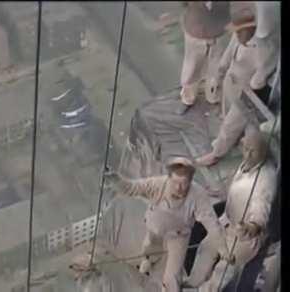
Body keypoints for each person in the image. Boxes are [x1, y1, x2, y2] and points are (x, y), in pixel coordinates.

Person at [105, 157, 231, 292]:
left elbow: (211, 222)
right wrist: (116, 180)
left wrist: (222, 247)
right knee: (149, 248)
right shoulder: (157, 184)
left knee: (173, 275)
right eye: (175, 182)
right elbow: (132, 188)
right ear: (169, 177)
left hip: (179, 235)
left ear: (190, 181)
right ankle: (149, 260)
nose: (179, 188)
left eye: (184, 184)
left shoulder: (197, 194)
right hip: (155, 228)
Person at [185, 129, 277, 292]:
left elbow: (261, 209)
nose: (247, 154)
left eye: (253, 151)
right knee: (206, 248)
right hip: (226, 222)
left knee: (224, 269)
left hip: (244, 237)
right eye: (245, 148)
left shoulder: (265, 181)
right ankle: (192, 283)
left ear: (263, 151)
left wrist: (250, 227)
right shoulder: (248, 164)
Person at [196, 10, 275, 166]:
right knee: (227, 114)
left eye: (241, 31)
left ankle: (216, 154)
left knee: (232, 124)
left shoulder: (264, 49)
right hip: (231, 81)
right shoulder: (237, 37)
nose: (238, 34)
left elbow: (259, 79)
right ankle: (231, 142)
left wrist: (249, 88)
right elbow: (228, 55)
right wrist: (218, 76)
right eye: (237, 31)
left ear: (251, 29)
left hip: (248, 92)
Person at [178, 1, 231, 115]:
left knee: (217, 69)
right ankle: (187, 98)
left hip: (219, 32)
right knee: (191, 68)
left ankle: (214, 98)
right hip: (195, 31)